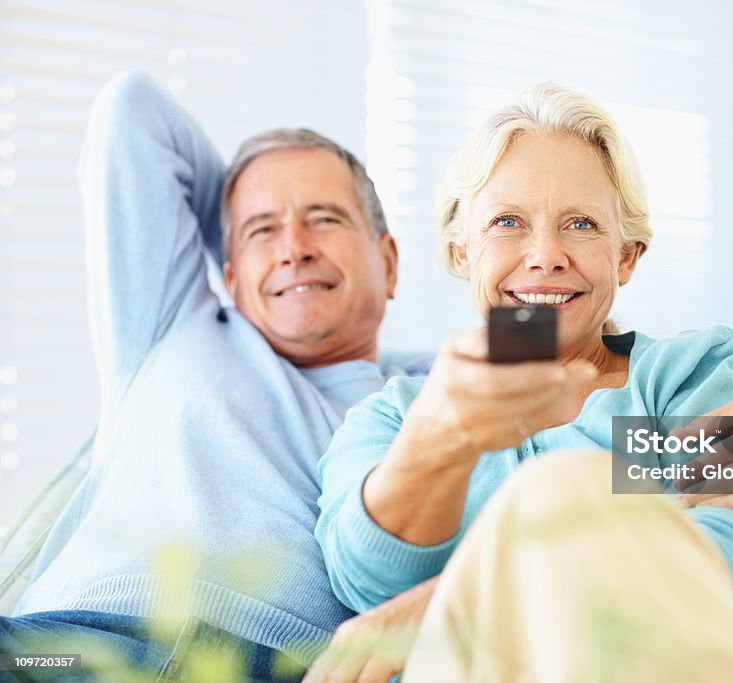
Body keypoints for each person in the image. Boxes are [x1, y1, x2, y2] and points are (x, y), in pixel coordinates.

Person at [311, 83, 733, 682]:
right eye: (507, 222)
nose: (546, 254)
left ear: (626, 255)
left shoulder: (692, 375)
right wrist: (436, 439)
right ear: (461, 253)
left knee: (560, 487)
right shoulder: (393, 419)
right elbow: (369, 583)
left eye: (580, 223)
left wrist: (459, 603)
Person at [0, 71, 442, 681]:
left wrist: (437, 602)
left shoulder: (446, 390)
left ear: (388, 263)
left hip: (280, 666)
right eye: (263, 230)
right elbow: (133, 112)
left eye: (324, 219)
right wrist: (247, 234)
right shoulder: (174, 326)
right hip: (72, 648)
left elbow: (612, 455)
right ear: (227, 275)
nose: (294, 248)